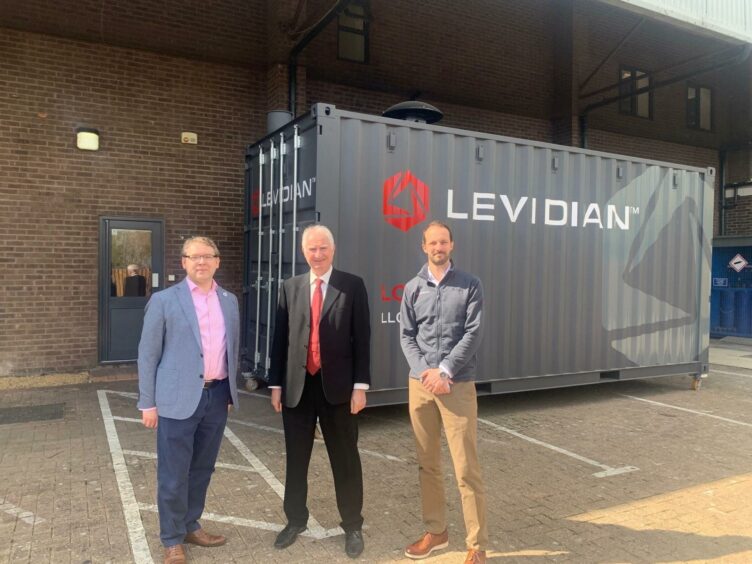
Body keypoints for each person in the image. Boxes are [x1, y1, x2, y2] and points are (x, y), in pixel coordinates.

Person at [268, 224, 370, 559]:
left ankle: (352, 524)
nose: (317, 254)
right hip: (298, 389)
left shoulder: (352, 286)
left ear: (333, 249)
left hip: (338, 390)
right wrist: (276, 385)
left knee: (345, 459)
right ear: (303, 252)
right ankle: (295, 519)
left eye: (323, 247)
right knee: (296, 460)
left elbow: (362, 340)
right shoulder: (290, 287)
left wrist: (360, 386)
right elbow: (279, 340)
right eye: (311, 248)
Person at [137, 236, 240, 564]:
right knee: (173, 472)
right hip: (176, 401)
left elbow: (231, 351)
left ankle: (190, 525)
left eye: (207, 256)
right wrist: (147, 402)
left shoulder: (229, 300)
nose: (201, 262)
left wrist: (229, 392)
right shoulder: (165, 300)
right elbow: (147, 354)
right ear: (183, 262)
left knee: (202, 469)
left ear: (217, 261)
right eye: (193, 257)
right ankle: (171, 539)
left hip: (217, 395)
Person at [399, 221, 488, 564]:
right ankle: (436, 531)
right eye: (432, 242)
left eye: (444, 242)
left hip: (457, 384)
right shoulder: (413, 288)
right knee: (428, 464)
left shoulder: (470, 285)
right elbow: (407, 335)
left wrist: (445, 370)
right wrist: (425, 371)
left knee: (466, 468)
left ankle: (476, 544)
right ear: (424, 246)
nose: (438, 247)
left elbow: (473, 332)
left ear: (452, 245)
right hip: (420, 385)